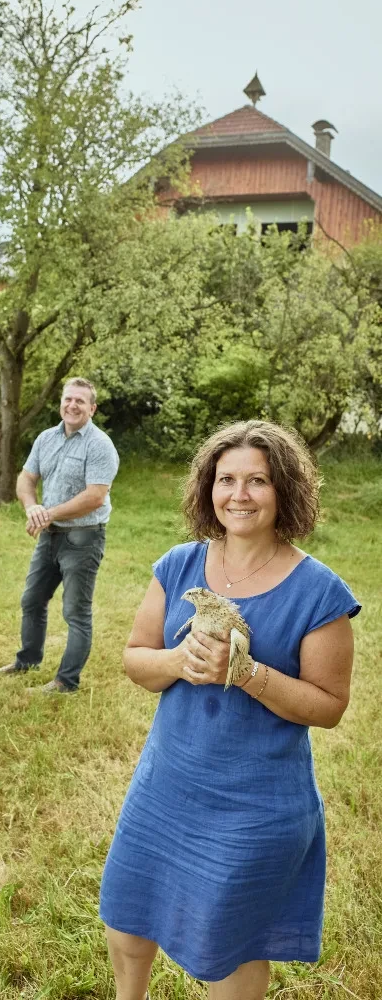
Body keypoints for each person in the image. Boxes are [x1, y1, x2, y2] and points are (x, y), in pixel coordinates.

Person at [99, 420, 361, 1000]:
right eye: (226, 479)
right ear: (207, 489)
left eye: (258, 481)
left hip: (256, 803)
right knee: (126, 914)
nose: (239, 495)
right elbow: (136, 659)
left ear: (284, 491)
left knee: (227, 950)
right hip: (166, 784)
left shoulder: (320, 592)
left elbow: (329, 706)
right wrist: (176, 661)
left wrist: (247, 674)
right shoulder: (179, 565)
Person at [0, 377, 119, 693]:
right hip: (49, 536)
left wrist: (48, 512)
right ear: (61, 403)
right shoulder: (46, 439)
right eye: (68, 399)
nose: (72, 405)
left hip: (83, 538)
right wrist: (32, 507)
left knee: (76, 612)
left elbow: (95, 496)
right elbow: (26, 478)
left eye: (80, 401)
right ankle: (27, 661)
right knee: (32, 600)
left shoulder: (100, 444)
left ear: (92, 408)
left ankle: (66, 681)